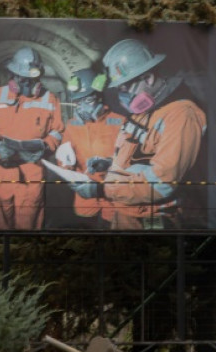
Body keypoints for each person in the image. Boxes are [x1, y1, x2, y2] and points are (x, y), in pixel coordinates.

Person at [70, 39, 206, 230]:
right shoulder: (144, 112)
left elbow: (162, 183)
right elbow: (141, 157)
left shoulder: (182, 115)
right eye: (119, 89)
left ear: (148, 78)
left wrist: (101, 189)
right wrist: (109, 163)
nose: (122, 96)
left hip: (151, 221)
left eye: (125, 88)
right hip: (126, 213)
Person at [0, 46, 64, 230]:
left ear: (37, 78)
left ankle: (26, 256)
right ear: (12, 75)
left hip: (32, 173)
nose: (23, 84)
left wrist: (45, 148)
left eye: (29, 80)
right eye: (19, 78)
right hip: (1, 171)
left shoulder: (50, 99)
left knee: (28, 227)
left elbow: (57, 132)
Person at [57, 67, 125, 228]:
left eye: (87, 101)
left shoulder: (119, 122)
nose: (82, 108)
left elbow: (129, 161)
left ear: (99, 97)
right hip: (85, 195)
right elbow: (64, 156)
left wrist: (108, 163)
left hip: (111, 193)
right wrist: (66, 168)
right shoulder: (72, 125)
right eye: (78, 102)